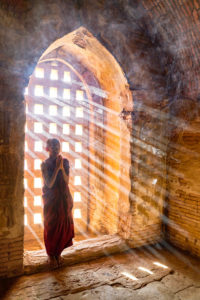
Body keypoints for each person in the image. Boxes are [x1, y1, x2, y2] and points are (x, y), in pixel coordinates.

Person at [41, 138, 74, 268]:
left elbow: (66, 181)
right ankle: (51, 255)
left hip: (63, 197)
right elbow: (49, 184)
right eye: (52, 146)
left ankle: (58, 253)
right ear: (47, 148)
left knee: (62, 223)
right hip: (51, 198)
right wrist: (57, 169)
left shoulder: (64, 161)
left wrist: (61, 167)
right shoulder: (45, 164)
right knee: (51, 225)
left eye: (57, 146)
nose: (55, 148)